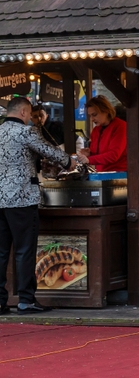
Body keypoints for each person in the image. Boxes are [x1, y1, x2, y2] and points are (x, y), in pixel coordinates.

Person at [0, 97, 72, 314]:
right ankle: (25, 300)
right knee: (24, 250)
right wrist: (71, 162)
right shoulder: (26, 132)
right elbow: (50, 151)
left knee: (1, 251)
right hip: (21, 198)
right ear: (23, 112)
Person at [76, 96, 127, 173]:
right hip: (101, 173)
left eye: (94, 114)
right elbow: (100, 153)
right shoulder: (96, 130)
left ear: (106, 111)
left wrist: (89, 159)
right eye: (90, 115)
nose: (92, 119)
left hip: (119, 173)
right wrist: (89, 153)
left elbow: (113, 155)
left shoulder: (120, 126)